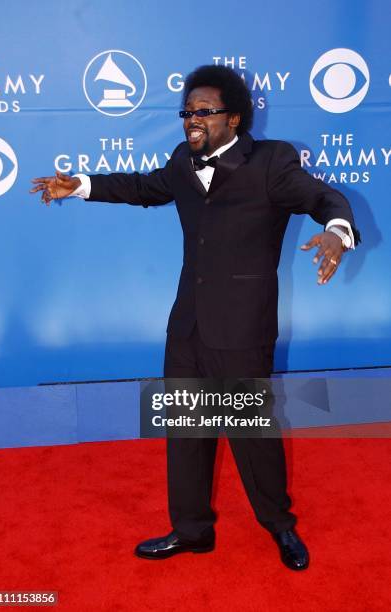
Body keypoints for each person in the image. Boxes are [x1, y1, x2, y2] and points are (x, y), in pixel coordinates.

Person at [31, 65, 359, 571]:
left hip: (243, 326)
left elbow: (322, 198)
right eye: (187, 111)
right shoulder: (184, 161)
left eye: (203, 111)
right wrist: (80, 187)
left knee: (252, 435)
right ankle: (191, 530)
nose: (191, 119)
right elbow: (144, 187)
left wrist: (337, 230)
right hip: (187, 324)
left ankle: (279, 525)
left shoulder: (272, 161)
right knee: (186, 431)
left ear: (233, 117)